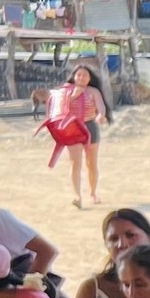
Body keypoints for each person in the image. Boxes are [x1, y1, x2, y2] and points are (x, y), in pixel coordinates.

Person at [45, 61, 111, 209]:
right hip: (73, 128)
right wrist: (73, 96)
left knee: (91, 163)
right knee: (75, 163)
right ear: (74, 76)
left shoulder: (94, 91)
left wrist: (100, 116)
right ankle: (77, 196)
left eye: (85, 75)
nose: (82, 78)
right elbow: (58, 108)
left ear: (90, 78)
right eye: (79, 75)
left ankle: (93, 193)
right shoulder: (65, 91)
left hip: (90, 127)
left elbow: (101, 107)